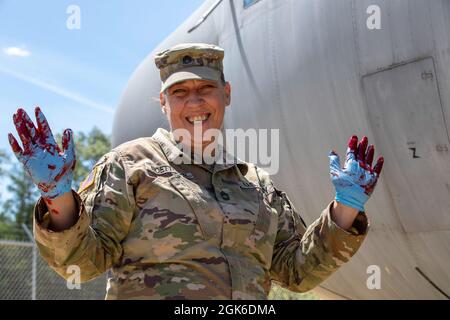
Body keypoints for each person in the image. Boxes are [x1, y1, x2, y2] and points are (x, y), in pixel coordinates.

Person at [8, 43, 384, 300]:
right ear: (163, 102)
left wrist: (344, 208)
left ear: (227, 94)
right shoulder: (129, 165)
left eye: (206, 88)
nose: (195, 101)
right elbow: (82, 262)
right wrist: (57, 198)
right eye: (179, 92)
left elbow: (295, 271)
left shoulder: (255, 184)